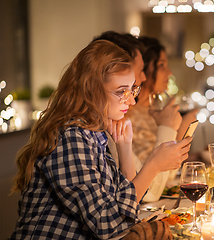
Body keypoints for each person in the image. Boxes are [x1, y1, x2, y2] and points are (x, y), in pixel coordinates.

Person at [10, 40, 191, 239]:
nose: (131, 100)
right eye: (122, 92)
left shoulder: (98, 132)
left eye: (132, 90)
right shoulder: (71, 136)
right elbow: (108, 224)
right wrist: (153, 166)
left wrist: (125, 148)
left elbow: (129, 209)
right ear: (91, 90)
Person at [92, 32, 185, 202]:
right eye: (161, 65)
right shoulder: (79, 135)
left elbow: (129, 196)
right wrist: (168, 129)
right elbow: (149, 193)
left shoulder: (118, 122)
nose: (142, 77)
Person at [127, 36, 198, 202]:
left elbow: (168, 171)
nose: (169, 72)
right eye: (161, 65)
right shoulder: (127, 116)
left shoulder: (153, 111)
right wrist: (175, 130)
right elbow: (151, 189)